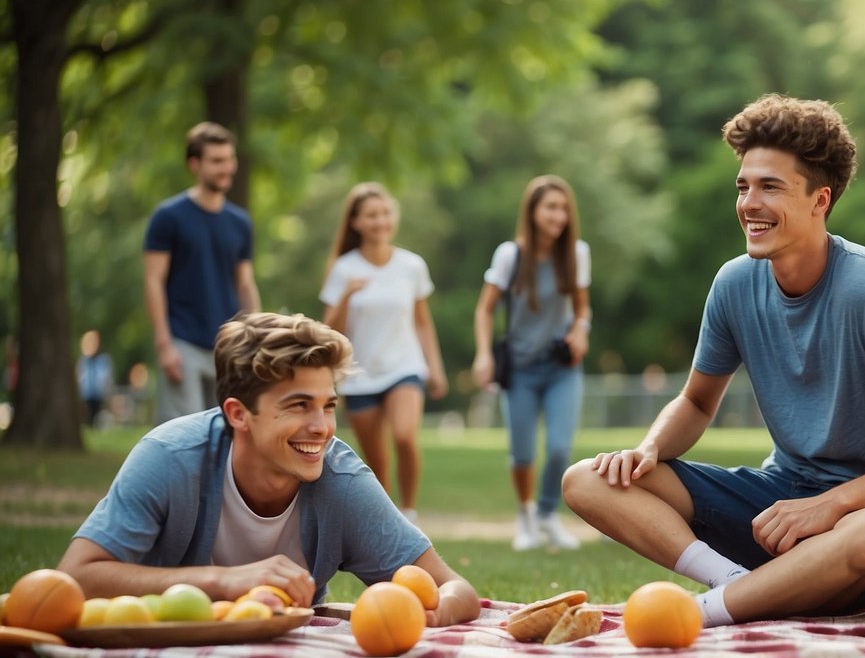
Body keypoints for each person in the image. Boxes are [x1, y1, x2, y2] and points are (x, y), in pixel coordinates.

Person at [562, 95, 865, 626]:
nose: (749, 203)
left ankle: (702, 613)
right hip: (775, 510)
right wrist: (648, 450)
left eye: (770, 186)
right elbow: (696, 403)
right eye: (744, 186)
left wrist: (834, 504)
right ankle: (735, 583)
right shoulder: (734, 283)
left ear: (820, 199)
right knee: (588, 479)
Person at [57, 312, 480, 627]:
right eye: (299, 405)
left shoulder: (342, 481)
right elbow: (74, 577)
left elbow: (456, 589)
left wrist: (425, 617)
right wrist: (224, 581)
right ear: (239, 414)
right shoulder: (169, 457)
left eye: (328, 406)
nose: (322, 428)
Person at [472, 175, 592, 552]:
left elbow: (582, 306)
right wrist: (483, 354)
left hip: (561, 367)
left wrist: (581, 330)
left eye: (563, 208)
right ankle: (525, 516)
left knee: (559, 447)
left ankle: (546, 514)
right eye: (550, 207)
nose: (558, 216)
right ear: (533, 211)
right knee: (522, 452)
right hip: (520, 370)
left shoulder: (576, 253)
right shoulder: (511, 255)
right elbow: (485, 309)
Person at [320, 182, 449, 522]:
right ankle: (388, 517)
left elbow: (423, 321)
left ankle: (409, 511)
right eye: (371, 215)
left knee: (405, 436)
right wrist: (347, 294)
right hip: (359, 375)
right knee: (376, 461)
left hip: (404, 366)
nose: (380, 221)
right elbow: (329, 331)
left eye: (385, 213)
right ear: (357, 223)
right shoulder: (344, 269)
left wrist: (434, 367)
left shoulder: (411, 266)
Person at [144, 122, 261, 424]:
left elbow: (245, 283)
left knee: (227, 434)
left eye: (229, 159)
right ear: (195, 164)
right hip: (183, 342)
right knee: (183, 435)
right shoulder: (168, 217)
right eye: (217, 161)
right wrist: (164, 345)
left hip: (229, 346)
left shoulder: (240, 222)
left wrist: (258, 335)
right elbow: (153, 281)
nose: (227, 168)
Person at [77, 329, 114, 427]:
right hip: (85, 396)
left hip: (99, 396)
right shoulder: (82, 362)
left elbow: (107, 380)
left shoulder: (103, 361)